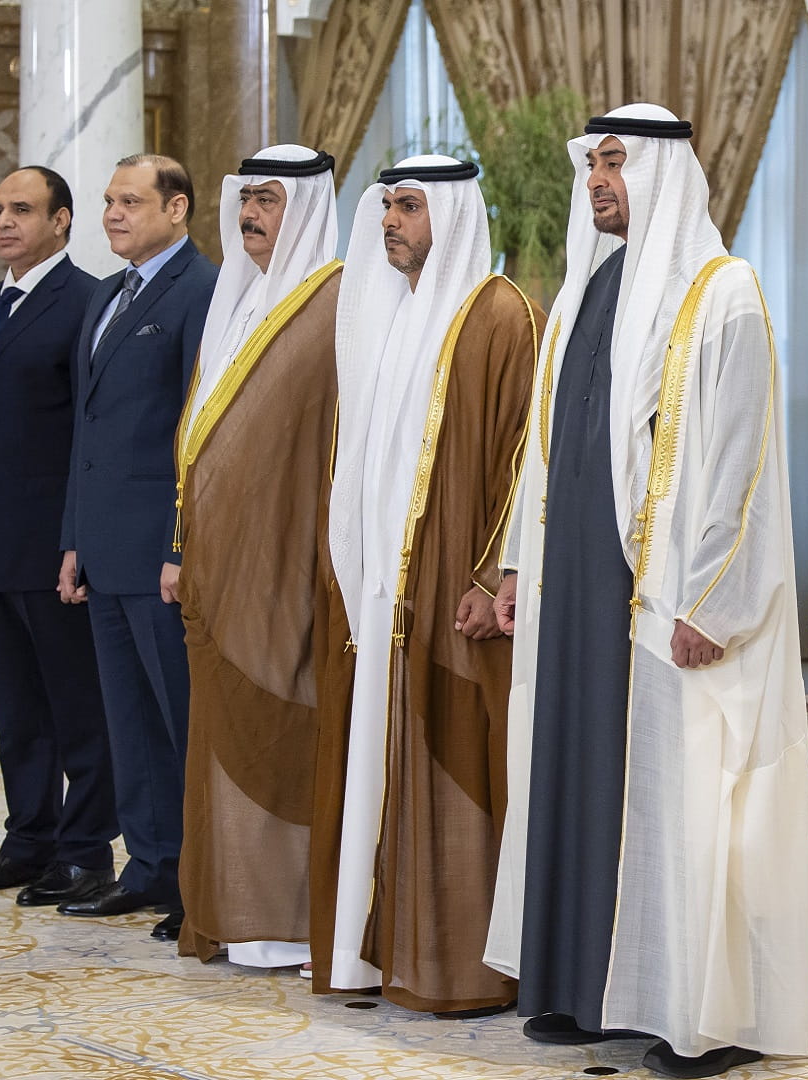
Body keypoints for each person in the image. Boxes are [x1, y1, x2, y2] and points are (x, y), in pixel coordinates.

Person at [483, 104, 808, 1080]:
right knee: (585, 783)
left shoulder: (723, 294)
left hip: (670, 600)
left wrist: (713, 599)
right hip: (577, 594)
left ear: (664, 173)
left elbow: (743, 464)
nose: (598, 180)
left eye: (617, 162)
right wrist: (518, 563)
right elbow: (545, 448)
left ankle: (706, 1018)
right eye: (593, 163)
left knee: (687, 799)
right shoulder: (587, 290)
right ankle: (591, 989)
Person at [308, 154, 540, 1015]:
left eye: (409, 206)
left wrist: (491, 574)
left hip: (458, 593)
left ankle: (470, 964)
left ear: (453, 212)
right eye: (387, 207)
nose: (390, 222)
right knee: (384, 765)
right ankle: (386, 952)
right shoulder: (391, 314)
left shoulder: (500, 314)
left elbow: (524, 458)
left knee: (460, 762)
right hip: (385, 595)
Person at [174, 145, 342, 969]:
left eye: (269, 200)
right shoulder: (238, 298)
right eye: (246, 199)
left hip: (295, 567)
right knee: (227, 734)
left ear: (304, 208)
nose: (250, 215)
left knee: (290, 731)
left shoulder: (337, 302)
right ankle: (237, 912)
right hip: (225, 567)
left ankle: (294, 918)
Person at [0, 166, 115, 909]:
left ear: (61, 220)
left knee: (77, 707)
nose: (4, 222)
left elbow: (90, 437)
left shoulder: (88, 302)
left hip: (52, 547)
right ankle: (28, 840)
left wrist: (79, 538)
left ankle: (85, 851)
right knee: (16, 712)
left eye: (22, 209)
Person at [55, 154, 217, 944]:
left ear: (176, 208)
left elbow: (197, 429)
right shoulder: (108, 295)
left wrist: (181, 545)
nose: (112, 214)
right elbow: (86, 433)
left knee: (179, 721)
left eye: (130, 201)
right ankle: (148, 867)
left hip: (160, 554)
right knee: (130, 725)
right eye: (108, 201)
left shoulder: (201, 289)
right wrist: (73, 541)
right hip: (104, 548)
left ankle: (199, 881)